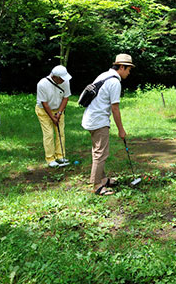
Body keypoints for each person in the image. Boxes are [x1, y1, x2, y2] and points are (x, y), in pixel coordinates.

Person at [81, 54, 134, 195]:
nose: (129, 73)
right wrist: (121, 130)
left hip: (91, 118)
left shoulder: (104, 75)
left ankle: (103, 179)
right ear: (122, 67)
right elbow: (115, 108)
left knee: (98, 151)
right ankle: (97, 185)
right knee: (101, 153)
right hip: (98, 121)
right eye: (128, 69)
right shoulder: (115, 82)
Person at [36, 65, 72, 167]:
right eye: (61, 79)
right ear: (55, 77)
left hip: (58, 109)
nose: (63, 81)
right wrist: (52, 118)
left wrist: (59, 113)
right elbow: (44, 103)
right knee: (49, 134)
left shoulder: (65, 81)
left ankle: (60, 156)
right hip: (44, 111)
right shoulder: (42, 84)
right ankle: (50, 159)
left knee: (61, 133)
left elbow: (66, 98)